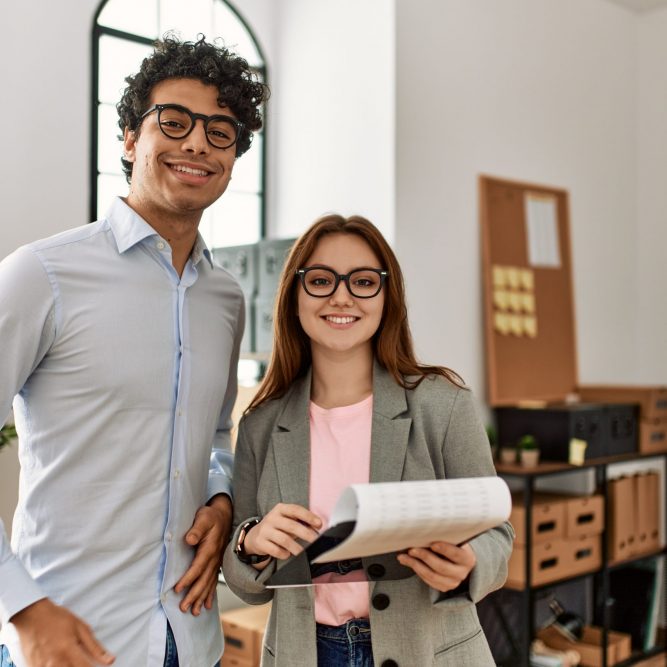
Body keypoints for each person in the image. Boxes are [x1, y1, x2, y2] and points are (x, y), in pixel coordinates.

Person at [0, 36, 267, 667]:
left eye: (221, 132)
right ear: (129, 138)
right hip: (69, 638)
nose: (198, 143)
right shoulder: (41, 274)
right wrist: (21, 609)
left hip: (191, 637)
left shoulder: (225, 299)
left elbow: (216, 437)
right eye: (173, 122)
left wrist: (224, 498)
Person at [222, 214, 514, 666]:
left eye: (362, 281)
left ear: (386, 296)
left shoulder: (443, 403)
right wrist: (251, 542)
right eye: (320, 280)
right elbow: (245, 583)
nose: (341, 295)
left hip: (429, 651)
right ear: (294, 296)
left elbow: (497, 533)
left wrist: (470, 561)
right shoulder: (261, 422)